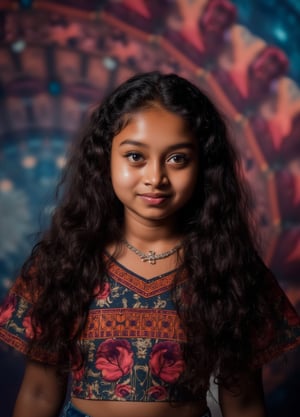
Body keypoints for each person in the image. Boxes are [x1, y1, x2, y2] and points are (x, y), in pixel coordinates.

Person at [0, 71, 300, 417]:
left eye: (177, 159)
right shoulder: (64, 265)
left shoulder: (230, 270)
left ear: (203, 166)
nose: (155, 178)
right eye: (135, 157)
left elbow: (244, 403)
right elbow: (38, 395)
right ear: (105, 159)